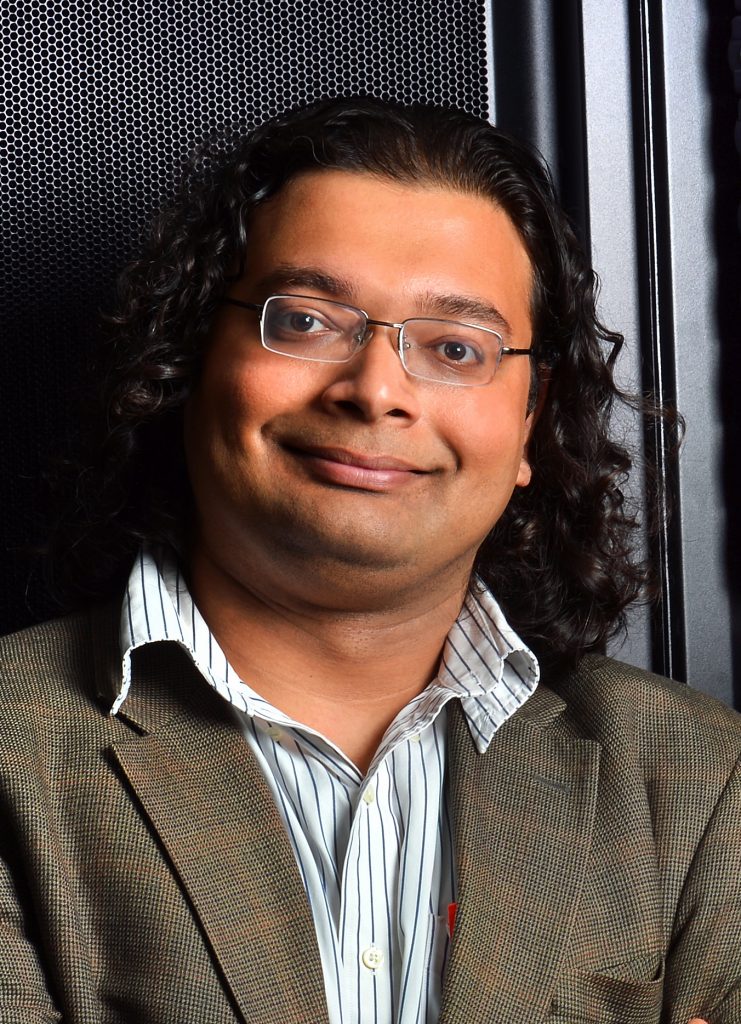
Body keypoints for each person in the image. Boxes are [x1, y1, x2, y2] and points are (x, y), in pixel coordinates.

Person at [0, 97, 736, 1024]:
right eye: (306, 321)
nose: (376, 390)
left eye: (455, 348)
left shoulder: (699, 782)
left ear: (528, 426)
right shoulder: (11, 750)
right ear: (188, 361)